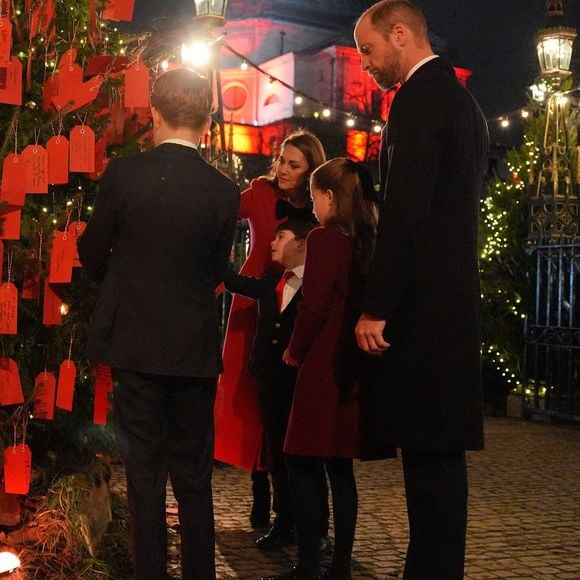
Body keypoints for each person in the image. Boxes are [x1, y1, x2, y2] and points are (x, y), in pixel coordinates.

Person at [78, 68, 240, 580]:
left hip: (135, 343)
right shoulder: (223, 190)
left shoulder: (125, 175)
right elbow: (218, 269)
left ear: (154, 113)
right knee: (193, 476)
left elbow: (90, 251)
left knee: (143, 474)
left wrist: (119, 280)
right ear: (207, 117)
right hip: (192, 349)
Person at [353, 2, 489, 579]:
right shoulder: (459, 100)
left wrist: (376, 307)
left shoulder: (418, 99)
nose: (365, 65)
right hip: (451, 301)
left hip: (426, 310)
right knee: (438, 460)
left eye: (368, 49)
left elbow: (406, 214)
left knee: (429, 463)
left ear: (400, 34)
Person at [266, 158, 392, 580]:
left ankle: (306, 563)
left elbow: (313, 303)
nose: (313, 206)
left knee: (299, 457)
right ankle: (339, 566)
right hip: (353, 364)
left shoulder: (324, 238)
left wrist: (295, 351)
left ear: (329, 197)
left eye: (316, 196)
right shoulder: (367, 238)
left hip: (321, 362)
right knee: (340, 466)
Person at [214, 130, 326, 536]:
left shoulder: (319, 206)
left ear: (311, 170)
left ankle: (290, 506)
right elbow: (220, 212)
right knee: (249, 395)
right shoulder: (260, 192)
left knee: (285, 403)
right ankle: (259, 491)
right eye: (281, 160)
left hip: (295, 306)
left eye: (293, 165)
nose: (281, 169)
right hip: (252, 300)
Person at [223, 220, 330, 553]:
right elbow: (234, 282)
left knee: (307, 458)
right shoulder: (273, 281)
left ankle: (316, 528)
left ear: (302, 244)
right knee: (277, 455)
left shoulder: (316, 285)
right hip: (270, 380)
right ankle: (283, 521)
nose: (271, 243)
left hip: (298, 384)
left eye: (280, 237)